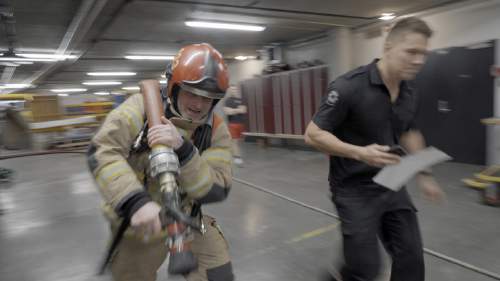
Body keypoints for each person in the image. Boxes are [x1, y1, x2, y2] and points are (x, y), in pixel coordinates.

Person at [305, 17, 445, 281]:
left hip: (392, 182)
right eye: (411, 52)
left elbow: (409, 130)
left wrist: (425, 174)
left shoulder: (409, 90)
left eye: (423, 54)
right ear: (388, 46)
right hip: (353, 189)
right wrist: (359, 152)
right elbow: (312, 135)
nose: (419, 60)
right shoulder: (348, 87)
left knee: (412, 261)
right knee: (365, 269)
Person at [87, 43, 234, 281]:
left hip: (188, 217)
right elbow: (101, 151)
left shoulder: (215, 130)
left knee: (218, 274)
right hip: (141, 227)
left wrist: (185, 152)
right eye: (191, 93)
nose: (198, 105)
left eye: (207, 99)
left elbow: (216, 190)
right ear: (174, 88)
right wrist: (135, 202)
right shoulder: (140, 108)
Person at [223, 85, 247, 165]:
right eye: (232, 89)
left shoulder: (240, 100)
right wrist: (238, 110)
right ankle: (237, 157)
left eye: (235, 89)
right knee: (234, 141)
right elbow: (227, 112)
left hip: (241, 124)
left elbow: (244, 110)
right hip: (233, 124)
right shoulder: (228, 100)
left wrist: (233, 110)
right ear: (229, 91)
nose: (234, 90)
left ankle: (234, 154)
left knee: (239, 141)